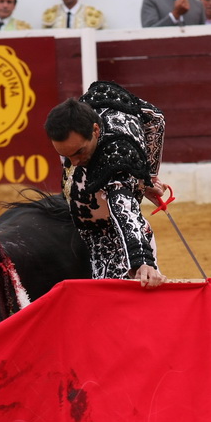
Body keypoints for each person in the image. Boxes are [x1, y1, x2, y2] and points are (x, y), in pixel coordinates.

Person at [44, 81, 167, 288]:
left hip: (112, 237)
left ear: (95, 130)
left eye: (79, 152)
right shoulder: (82, 112)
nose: (72, 162)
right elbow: (155, 118)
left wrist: (142, 261)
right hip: (81, 227)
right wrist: (148, 177)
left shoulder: (116, 157)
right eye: (65, 155)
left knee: (113, 302)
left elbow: (124, 210)